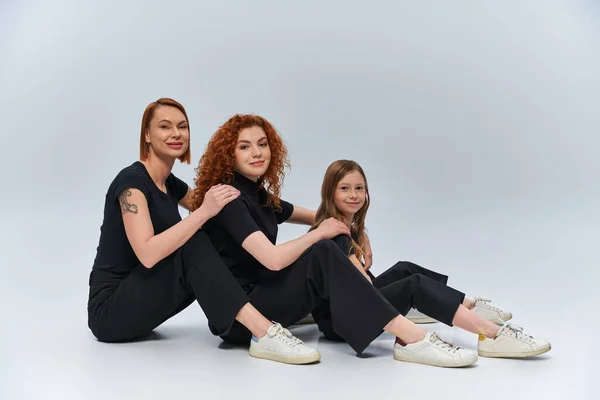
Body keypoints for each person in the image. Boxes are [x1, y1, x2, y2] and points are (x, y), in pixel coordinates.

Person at [191, 113, 551, 368]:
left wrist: (348, 225)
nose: (257, 153)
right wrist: (324, 233)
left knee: (388, 265)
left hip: (278, 297)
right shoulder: (229, 198)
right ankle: (430, 336)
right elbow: (271, 258)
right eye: (245, 147)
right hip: (251, 312)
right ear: (229, 154)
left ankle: (469, 311)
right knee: (322, 249)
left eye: (263, 144)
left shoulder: (259, 194)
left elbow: (312, 215)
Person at [86, 98, 321, 365]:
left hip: (145, 302)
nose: (176, 133)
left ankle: (269, 308)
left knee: (213, 228)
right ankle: (262, 332)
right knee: (193, 237)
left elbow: (228, 205)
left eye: (182, 126)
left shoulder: (169, 183)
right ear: (147, 135)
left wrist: (326, 217)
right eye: (165, 127)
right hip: (110, 312)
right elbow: (148, 254)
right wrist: (203, 212)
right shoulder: (131, 183)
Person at [308, 159, 551, 359]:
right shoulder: (334, 233)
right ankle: (490, 334)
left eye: (359, 188)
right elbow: (364, 290)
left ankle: (468, 307)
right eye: (345, 188)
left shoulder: (345, 227)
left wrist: (362, 235)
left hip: (347, 311)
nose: (354, 195)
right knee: (414, 285)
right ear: (330, 192)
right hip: (342, 323)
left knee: (405, 269)